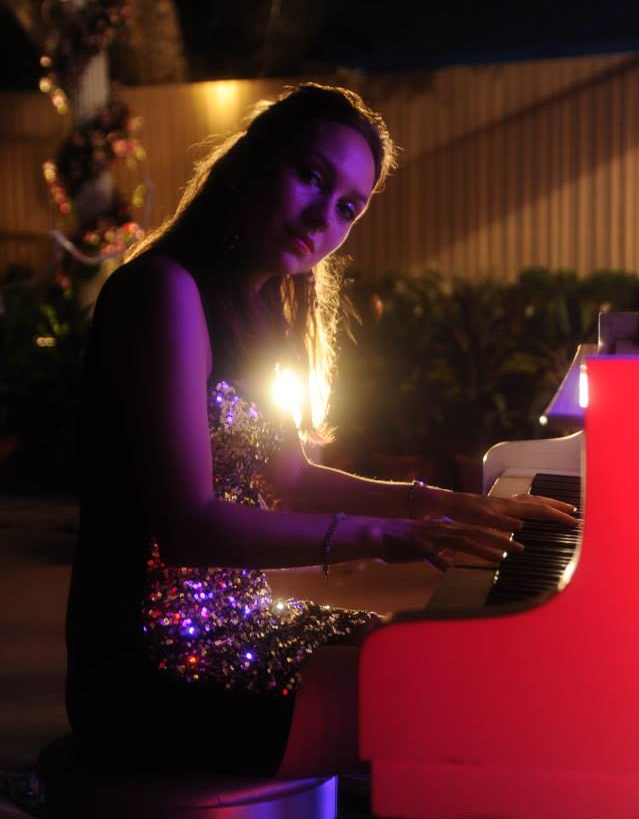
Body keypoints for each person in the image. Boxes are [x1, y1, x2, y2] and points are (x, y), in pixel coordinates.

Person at [65, 82, 577, 780]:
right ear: (249, 163)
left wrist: (447, 504)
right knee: (465, 707)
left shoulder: (259, 308)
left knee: (472, 671)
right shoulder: (162, 291)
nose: (322, 217)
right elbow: (191, 529)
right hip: (155, 669)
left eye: (347, 208)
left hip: (241, 634)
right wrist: (392, 538)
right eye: (310, 176)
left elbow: (289, 477)